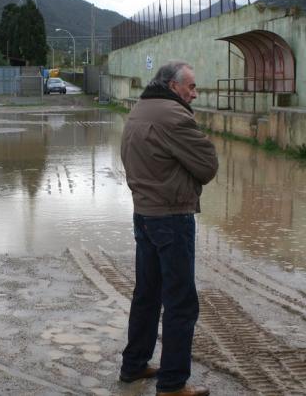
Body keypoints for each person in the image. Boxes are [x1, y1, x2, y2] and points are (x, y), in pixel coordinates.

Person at [119, 61, 218, 396]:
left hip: (144, 214)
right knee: (180, 303)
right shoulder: (174, 116)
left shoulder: (139, 110)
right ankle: (173, 384)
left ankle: (134, 365)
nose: (195, 93)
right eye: (191, 86)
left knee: (147, 294)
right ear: (174, 87)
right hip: (172, 217)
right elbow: (207, 166)